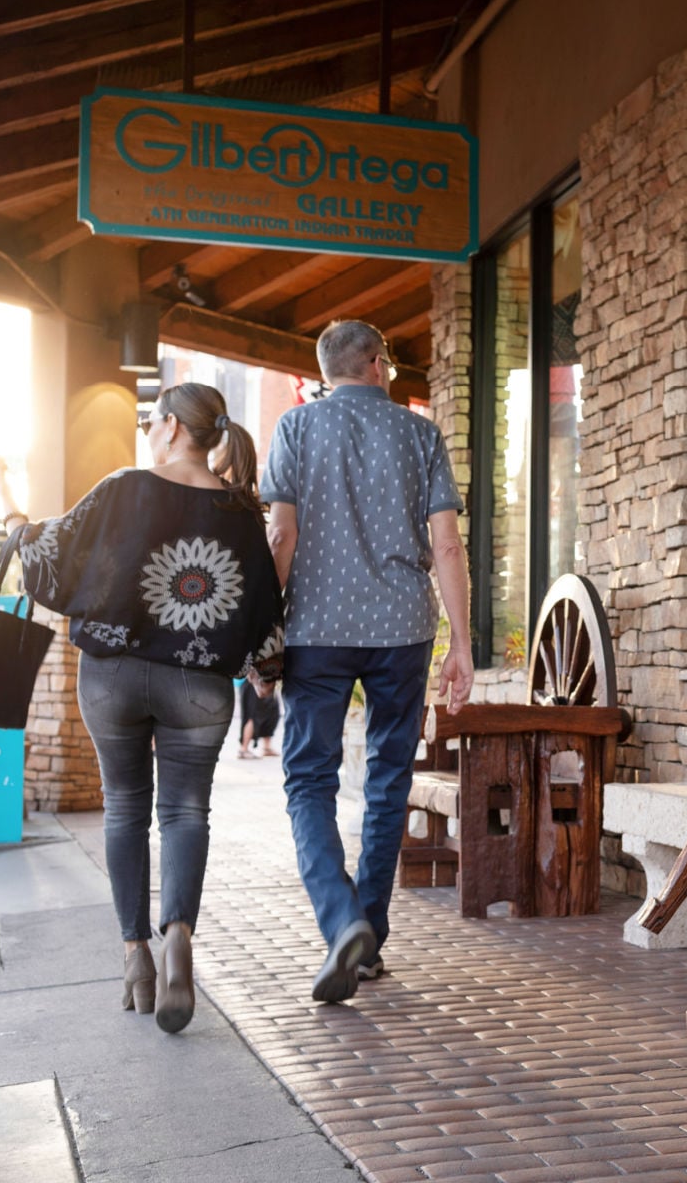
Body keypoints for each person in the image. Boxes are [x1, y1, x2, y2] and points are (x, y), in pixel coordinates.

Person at [0, 383, 284, 1034]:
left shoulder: (123, 489)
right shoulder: (239, 512)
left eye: (153, 422)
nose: (148, 431)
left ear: (173, 428)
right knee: (185, 811)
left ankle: (135, 956)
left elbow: (46, 559)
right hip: (199, 687)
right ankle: (178, 933)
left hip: (113, 679)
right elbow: (264, 605)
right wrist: (263, 670)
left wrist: (6, 501)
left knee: (124, 806)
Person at [262, 319, 473, 1004]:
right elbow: (447, 546)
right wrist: (462, 646)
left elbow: (281, 534)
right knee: (388, 778)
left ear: (328, 371)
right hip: (401, 630)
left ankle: (341, 920)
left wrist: (266, 626)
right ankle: (369, 938)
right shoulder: (420, 434)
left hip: (317, 629)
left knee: (309, 781)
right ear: (379, 365)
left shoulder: (296, 429)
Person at [238, 678, 280, 757]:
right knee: (252, 715)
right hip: (252, 681)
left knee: (271, 714)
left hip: (267, 679)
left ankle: (267, 748)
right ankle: (243, 749)